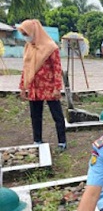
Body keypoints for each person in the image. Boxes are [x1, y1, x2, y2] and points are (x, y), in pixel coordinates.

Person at [18, 19, 67, 151]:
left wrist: (57, 87)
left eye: (26, 33)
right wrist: (23, 86)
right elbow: (26, 67)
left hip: (49, 87)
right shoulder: (29, 46)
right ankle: (37, 140)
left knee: (57, 115)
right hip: (34, 87)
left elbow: (57, 68)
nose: (25, 37)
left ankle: (62, 141)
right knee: (35, 115)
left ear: (34, 31)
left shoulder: (51, 47)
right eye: (23, 34)